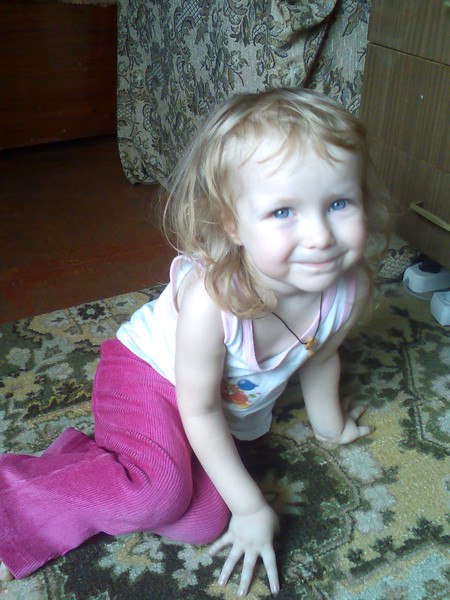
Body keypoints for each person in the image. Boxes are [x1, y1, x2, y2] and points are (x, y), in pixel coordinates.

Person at [0, 88, 390, 595]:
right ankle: (14, 502)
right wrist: (252, 506)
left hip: (209, 406)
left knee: (202, 522)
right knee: (153, 498)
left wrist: (330, 428)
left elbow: (320, 359)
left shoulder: (348, 288)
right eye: (282, 212)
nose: (320, 236)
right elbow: (200, 408)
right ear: (233, 224)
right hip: (147, 375)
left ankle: (95, 463)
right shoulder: (213, 300)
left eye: (339, 203)